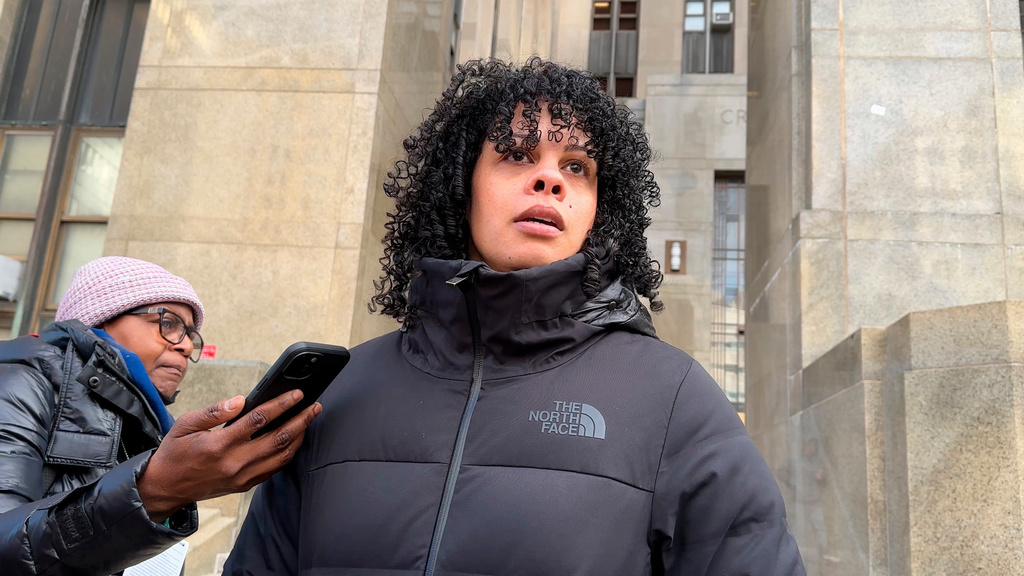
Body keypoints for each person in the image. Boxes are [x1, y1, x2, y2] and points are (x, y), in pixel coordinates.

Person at [225, 57, 804, 575]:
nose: (550, 177)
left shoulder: (673, 398)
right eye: (517, 154)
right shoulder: (344, 390)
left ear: (600, 210)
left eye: (577, 166)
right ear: (461, 186)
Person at [0, 256, 321, 576]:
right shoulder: (19, 378)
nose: (184, 346)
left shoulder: (144, 422)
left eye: (190, 334)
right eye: (168, 324)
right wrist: (153, 491)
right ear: (100, 318)